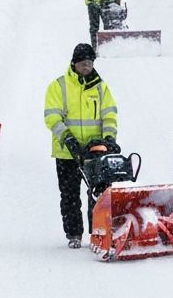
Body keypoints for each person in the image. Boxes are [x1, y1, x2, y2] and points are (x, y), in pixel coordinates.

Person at [43, 42, 120, 248]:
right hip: (67, 153)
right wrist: (67, 138)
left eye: (90, 63)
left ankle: (99, 233)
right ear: (74, 63)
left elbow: (109, 115)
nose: (86, 67)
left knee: (100, 195)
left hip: (95, 152)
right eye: (83, 63)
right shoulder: (58, 86)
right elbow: (52, 117)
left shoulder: (101, 87)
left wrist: (110, 138)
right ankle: (74, 234)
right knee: (69, 195)